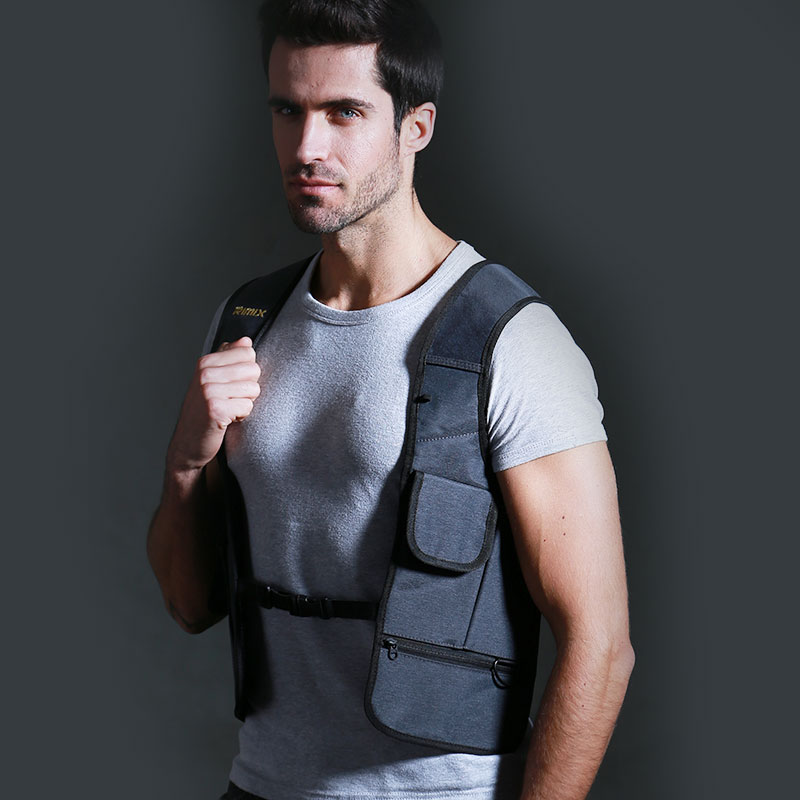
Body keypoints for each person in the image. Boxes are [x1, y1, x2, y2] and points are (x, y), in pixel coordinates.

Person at [146, 1, 635, 798]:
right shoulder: (249, 320)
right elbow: (186, 603)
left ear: (417, 127)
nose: (308, 147)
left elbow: (601, 646)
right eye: (287, 110)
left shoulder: (514, 341)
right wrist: (184, 463)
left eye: (344, 112)